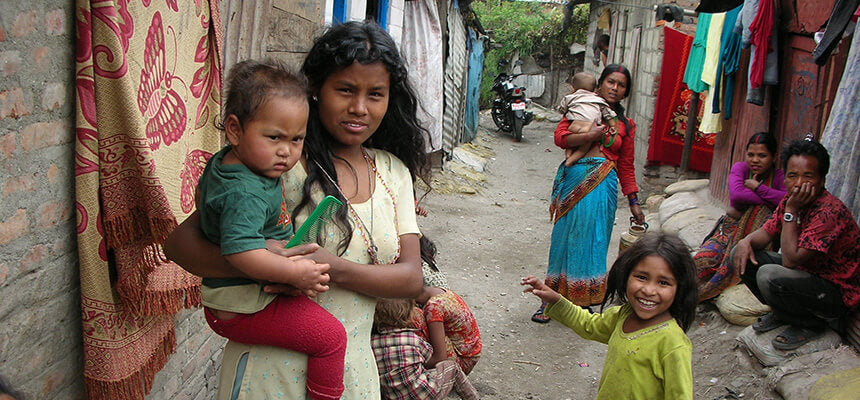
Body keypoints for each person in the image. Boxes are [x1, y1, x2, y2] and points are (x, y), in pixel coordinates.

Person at [164, 20, 429, 398]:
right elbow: (179, 245)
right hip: (266, 373)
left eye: (376, 94)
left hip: (350, 374)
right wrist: (278, 266)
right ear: (317, 90)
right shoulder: (279, 161)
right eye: (345, 90)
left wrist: (329, 268)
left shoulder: (392, 172)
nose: (359, 107)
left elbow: (410, 279)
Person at [194, 60, 345, 400]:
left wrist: (270, 246)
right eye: (274, 137)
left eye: (296, 139)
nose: (286, 151)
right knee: (332, 338)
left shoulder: (236, 164)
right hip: (239, 305)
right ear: (234, 130)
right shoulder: (243, 191)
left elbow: (229, 230)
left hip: (235, 296)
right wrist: (295, 274)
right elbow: (238, 251)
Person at [522, 232, 696, 400]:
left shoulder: (672, 344)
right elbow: (589, 325)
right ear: (626, 276)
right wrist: (557, 300)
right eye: (641, 277)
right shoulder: (623, 315)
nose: (648, 290)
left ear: (679, 288)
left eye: (663, 283)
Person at [533, 64, 645, 323]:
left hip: (604, 184)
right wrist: (591, 133)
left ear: (626, 91)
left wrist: (634, 202)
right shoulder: (579, 107)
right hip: (574, 180)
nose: (615, 88)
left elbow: (626, 165)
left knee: (594, 242)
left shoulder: (626, 125)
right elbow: (560, 138)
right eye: (611, 82)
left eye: (621, 85)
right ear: (600, 84)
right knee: (563, 240)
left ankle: (583, 301)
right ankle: (550, 301)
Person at [732, 138, 860, 351]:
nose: (799, 183)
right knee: (741, 252)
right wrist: (745, 241)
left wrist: (791, 211)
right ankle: (784, 313)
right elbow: (765, 233)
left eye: (808, 176)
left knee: (769, 276)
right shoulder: (790, 201)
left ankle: (810, 324)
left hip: (835, 293)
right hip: (807, 276)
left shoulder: (829, 211)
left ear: (821, 180)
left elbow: (791, 260)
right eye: (792, 176)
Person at [695, 132, 785, 301]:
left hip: (759, 239)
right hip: (728, 233)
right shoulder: (741, 169)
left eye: (762, 156)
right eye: (751, 155)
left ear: (774, 157)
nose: (755, 160)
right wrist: (768, 199)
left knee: (761, 211)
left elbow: (785, 201)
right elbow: (737, 196)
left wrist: (757, 188)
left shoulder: (779, 177)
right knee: (702, 260)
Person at [371, 298, 479, 400]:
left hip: (393, 396)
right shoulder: (413, 339)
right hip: (424, 394)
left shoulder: (372, 343)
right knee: (452, 367)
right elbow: (431, 359)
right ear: (409, 314)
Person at [555, 72, 618, 167]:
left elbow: (562, 109)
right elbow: (608, 114)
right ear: (596, 89)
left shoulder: (570, 98)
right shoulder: (598, 101)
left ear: (573, 88)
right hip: (588, 128)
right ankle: (570, 161)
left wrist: (565, 111)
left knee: (570, 144)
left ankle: (568, 155)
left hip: (574, 127)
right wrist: (613, 126)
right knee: (582, 150)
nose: (614, 88)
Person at [415, 286, 482, 375]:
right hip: (470, 353)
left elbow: (440, 358)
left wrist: (411, 366)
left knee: (415, 319)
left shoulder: (434, 307)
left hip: (462, 362)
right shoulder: (438, 290)